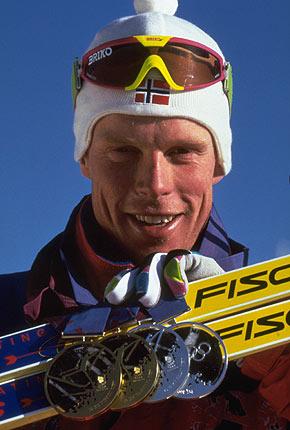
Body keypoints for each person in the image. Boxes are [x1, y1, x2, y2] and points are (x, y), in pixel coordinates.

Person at [0, 0, 289, 428]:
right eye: (122, 151)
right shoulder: (9, 315)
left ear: (218, 163)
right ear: (85, 158)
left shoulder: (275, 348)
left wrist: (271, 359)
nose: (154, 184)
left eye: (182, 152)